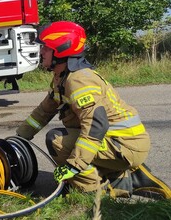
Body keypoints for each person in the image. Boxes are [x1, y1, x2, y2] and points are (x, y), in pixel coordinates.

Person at [15, 21, 170, 198]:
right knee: (68, 136)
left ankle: (92, 192)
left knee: (57, 140)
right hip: (119, 142)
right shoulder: (63, 78)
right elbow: (43, 112)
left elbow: (96, 126)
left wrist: (75, 165)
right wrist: (20, 137)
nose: (41, 52)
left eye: (45, 48)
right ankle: (119, 175)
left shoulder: (79, 81)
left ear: (61, 50)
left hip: (124, 145)